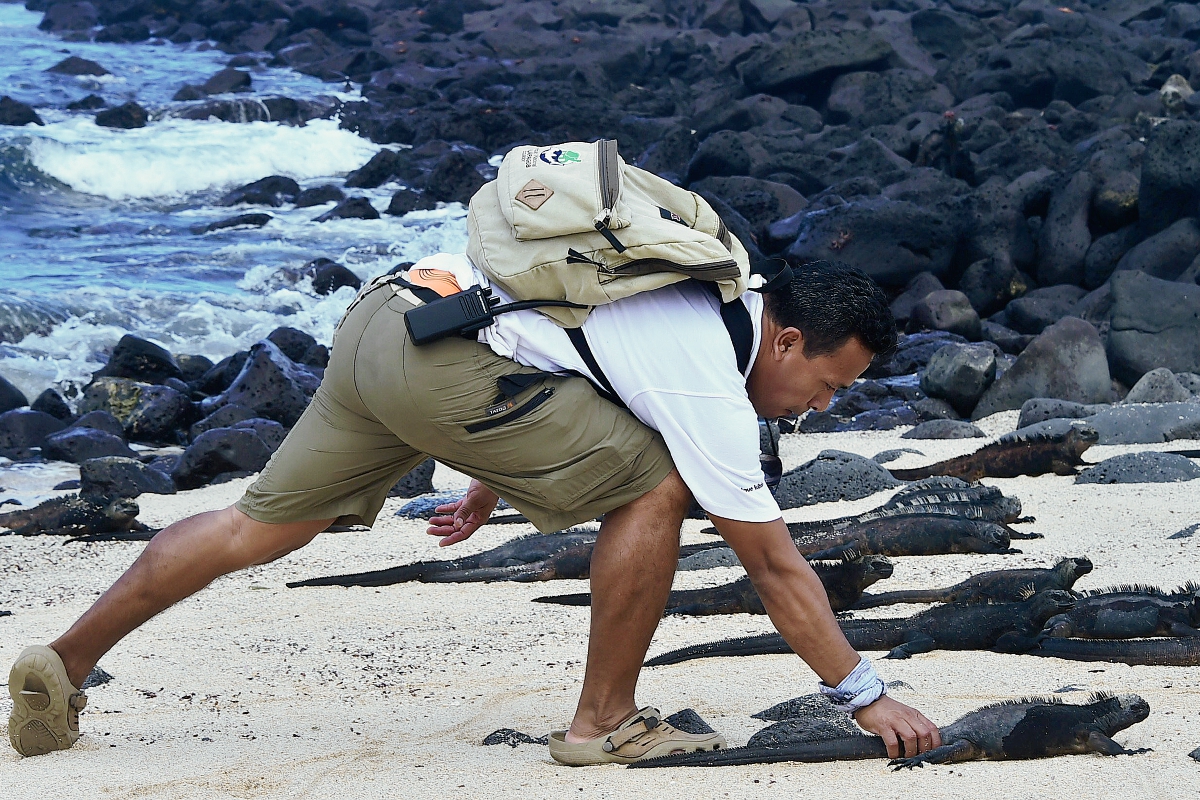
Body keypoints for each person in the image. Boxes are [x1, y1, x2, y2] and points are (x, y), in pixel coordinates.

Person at [8, 255, 941, 764]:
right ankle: (604, 722)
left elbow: (578, 348)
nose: (823, 406)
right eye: (829, 384)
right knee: (658, 482)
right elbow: (772, 565)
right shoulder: (710, 383)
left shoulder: (702, 280)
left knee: (254, 527)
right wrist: (865, 695)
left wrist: (490, 475)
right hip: (449, 369)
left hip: (391, 315)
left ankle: (65, 661)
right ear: (785, 340)